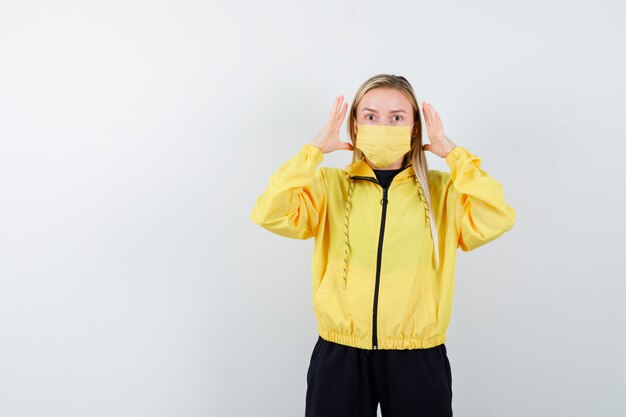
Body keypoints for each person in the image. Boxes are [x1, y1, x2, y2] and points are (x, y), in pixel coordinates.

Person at [250, 74, 516, 417]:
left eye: (397, 117)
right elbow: (269, 213)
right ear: (355, 126)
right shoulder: (330, 186)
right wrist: (313, 152)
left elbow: (497, 216)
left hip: (417, 355)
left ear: (414, 128)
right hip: (340, 353)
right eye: (371, 116)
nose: (384, 125)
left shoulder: (441, 192)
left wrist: (454, 155)